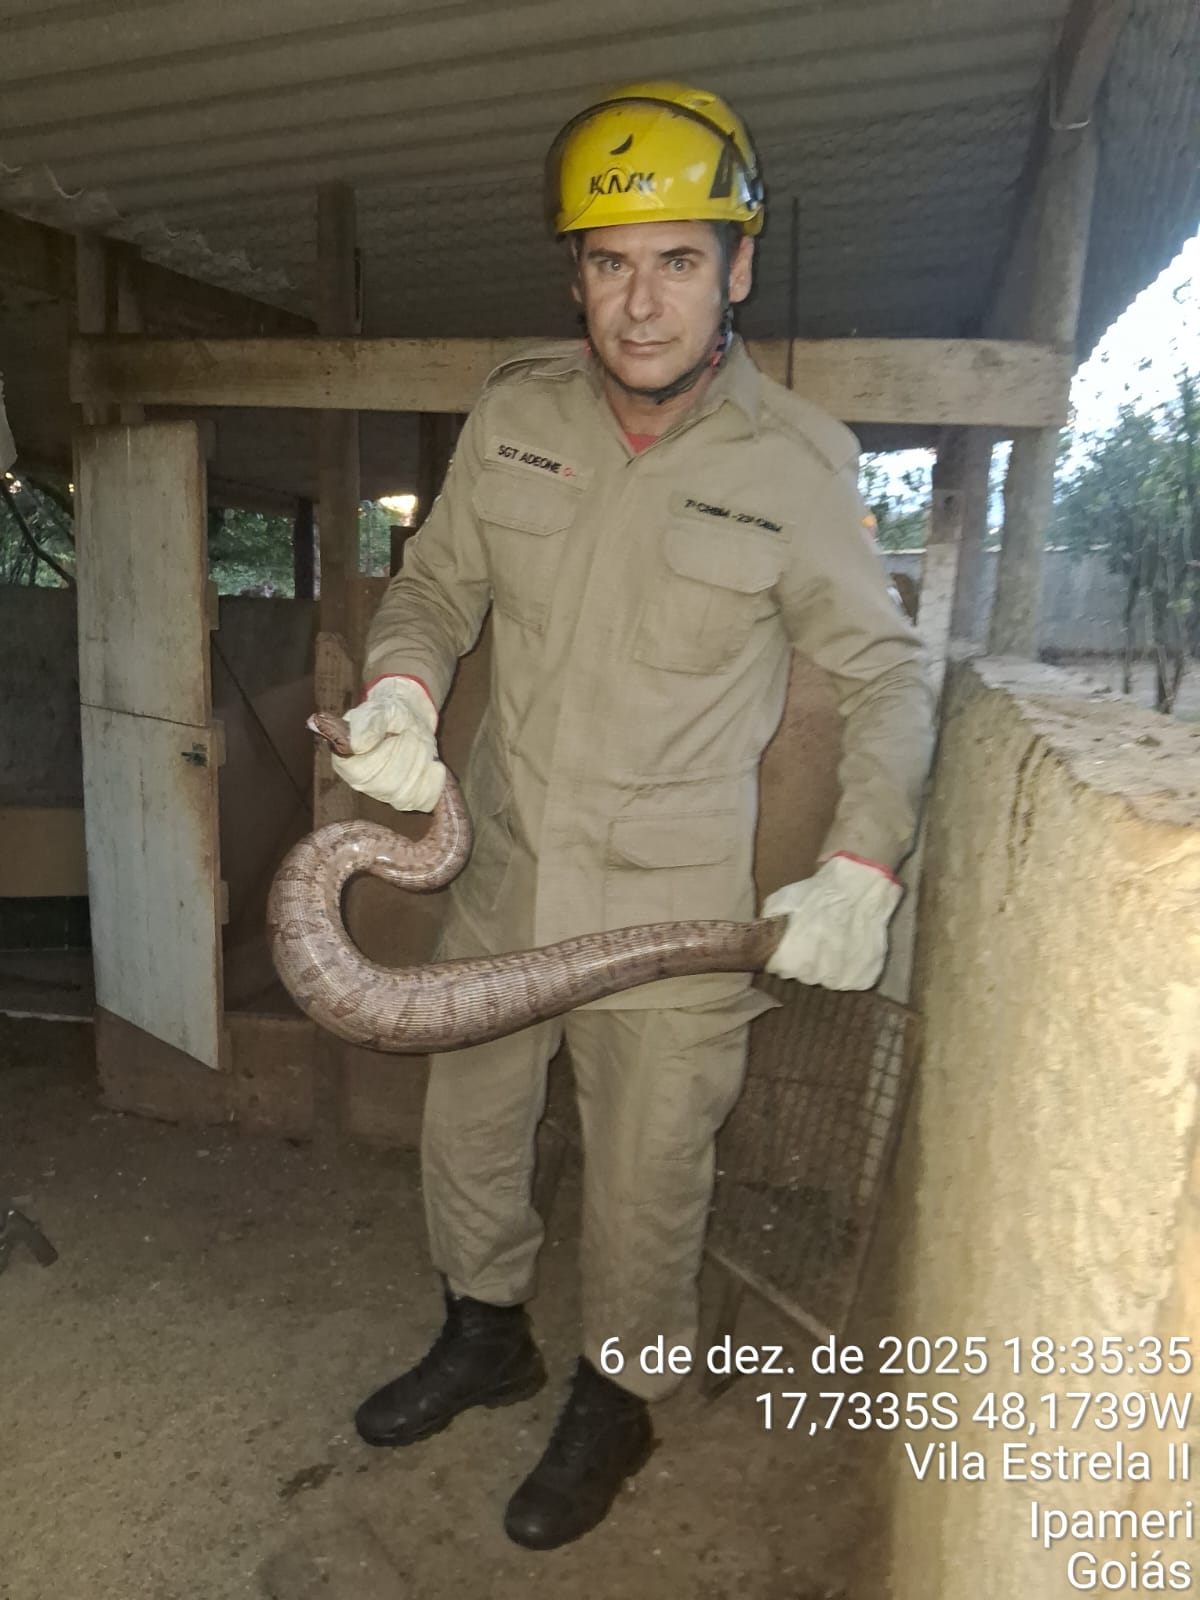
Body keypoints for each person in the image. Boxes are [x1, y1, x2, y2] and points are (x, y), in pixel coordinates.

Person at [332, 81, 934, 1550]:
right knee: (469, 1127)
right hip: (506, 869)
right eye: (610, 262)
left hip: (669, 908)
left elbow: (886, 676)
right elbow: (435, 588)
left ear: (738, 268)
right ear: (576, 277)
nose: (641, 301)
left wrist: (863, 861)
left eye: (677, 260)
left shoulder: (795, 464)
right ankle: (486, 1331)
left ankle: (623, 1393)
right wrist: (403, 690)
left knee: (650, 1173)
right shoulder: (515, 418)